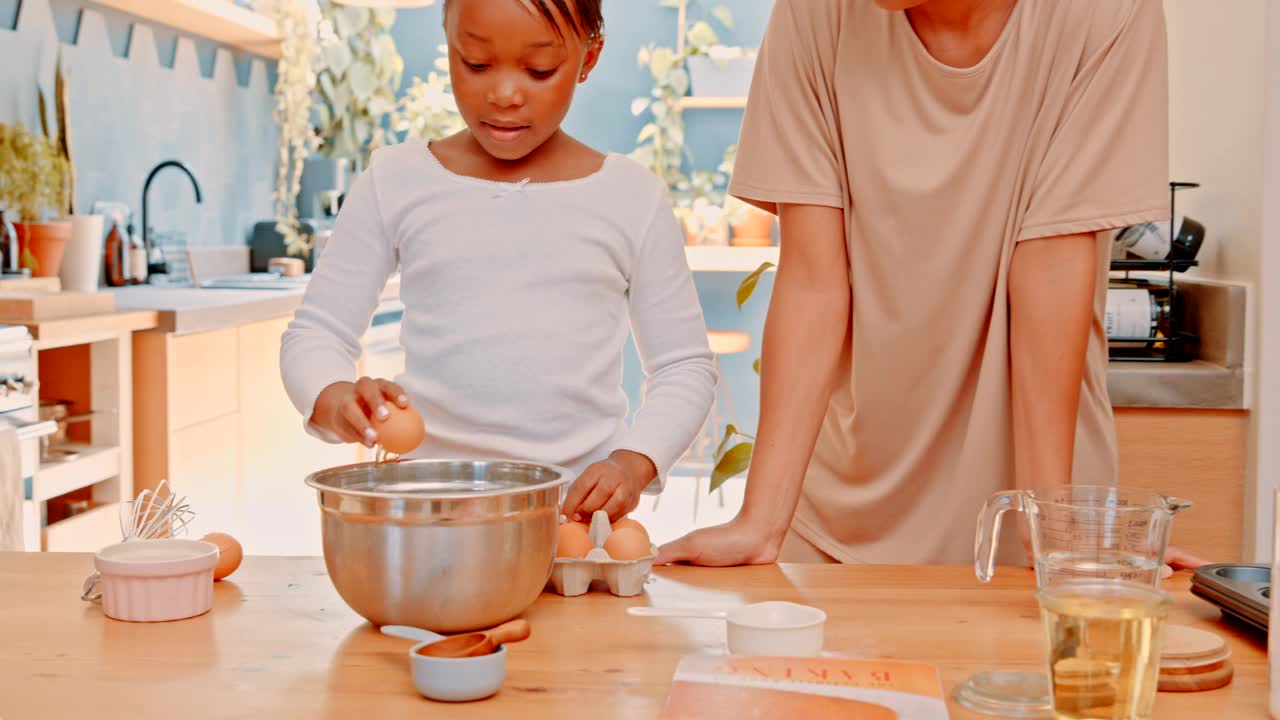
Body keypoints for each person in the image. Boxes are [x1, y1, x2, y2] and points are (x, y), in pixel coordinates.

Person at [657, 0, 1208, 572]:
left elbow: (1050, 268)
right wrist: (760, 522)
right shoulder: (814, 12)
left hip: (1031, 509)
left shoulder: (1107, 13)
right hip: (840, 518)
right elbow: (813, 280)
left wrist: (1050, 528)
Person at [281, 0, 717, 523]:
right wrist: (333, 396)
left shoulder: (631, 197)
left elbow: (683, 366)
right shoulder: (395, 179)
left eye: (539, 70)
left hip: (576, 519)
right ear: (448, 41)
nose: (504, 94)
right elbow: (317, 332)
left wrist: (633, 462)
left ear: (588, 57)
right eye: (476, 63)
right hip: (431, 512)